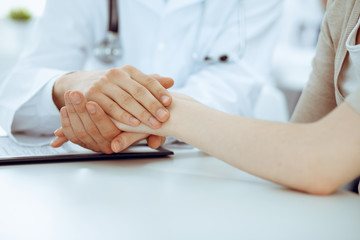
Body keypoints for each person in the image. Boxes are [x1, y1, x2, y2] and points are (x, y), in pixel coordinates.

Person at [53, 0, 360, 195]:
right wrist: (107, 104)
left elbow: (315, 160)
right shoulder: (343, 8)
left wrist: (145, 110)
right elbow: (297, 150)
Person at [0, 0, 283, 150]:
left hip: (211, 165)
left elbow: (233, 88)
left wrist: (120, 113)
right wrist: (68, 85)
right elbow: (17, 92)